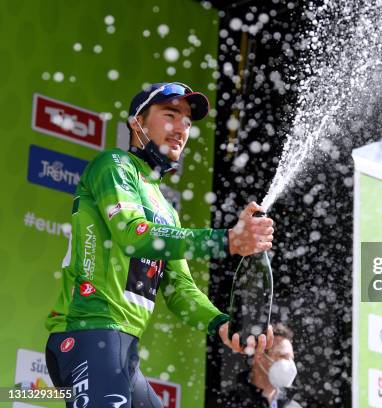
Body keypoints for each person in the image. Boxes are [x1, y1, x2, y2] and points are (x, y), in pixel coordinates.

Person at [44, 82, 275, 407]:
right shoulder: (113, 165)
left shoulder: (166, 210)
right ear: (136, 121)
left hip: (123, 350)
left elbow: (179, 290)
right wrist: (227, 240)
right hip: (87, 332)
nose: (181, 127)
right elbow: (132, 234)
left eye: (188, 122)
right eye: (170, 114)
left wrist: (221, 324)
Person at [224, 323, 301, 408]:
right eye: (283, 356)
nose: (290, 364)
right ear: (259, 356)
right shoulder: (227, 404)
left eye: (291, 358)